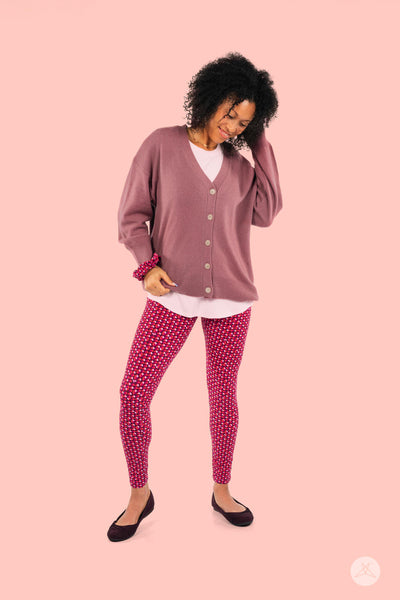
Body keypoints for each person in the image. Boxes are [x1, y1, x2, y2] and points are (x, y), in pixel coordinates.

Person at [107, 52, 283, 542]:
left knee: (222, 394)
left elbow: (268, 212)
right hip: (173, 294)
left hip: (231, 297)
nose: (232, 126)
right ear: (210, 97)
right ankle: (139, 494)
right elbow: (131, 215)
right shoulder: (161, 145)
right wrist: (146, 266)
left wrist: (258, 138)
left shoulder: (240, 165)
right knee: (134, 392)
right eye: (230, 113)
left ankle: (222, 490)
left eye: (243, 122)